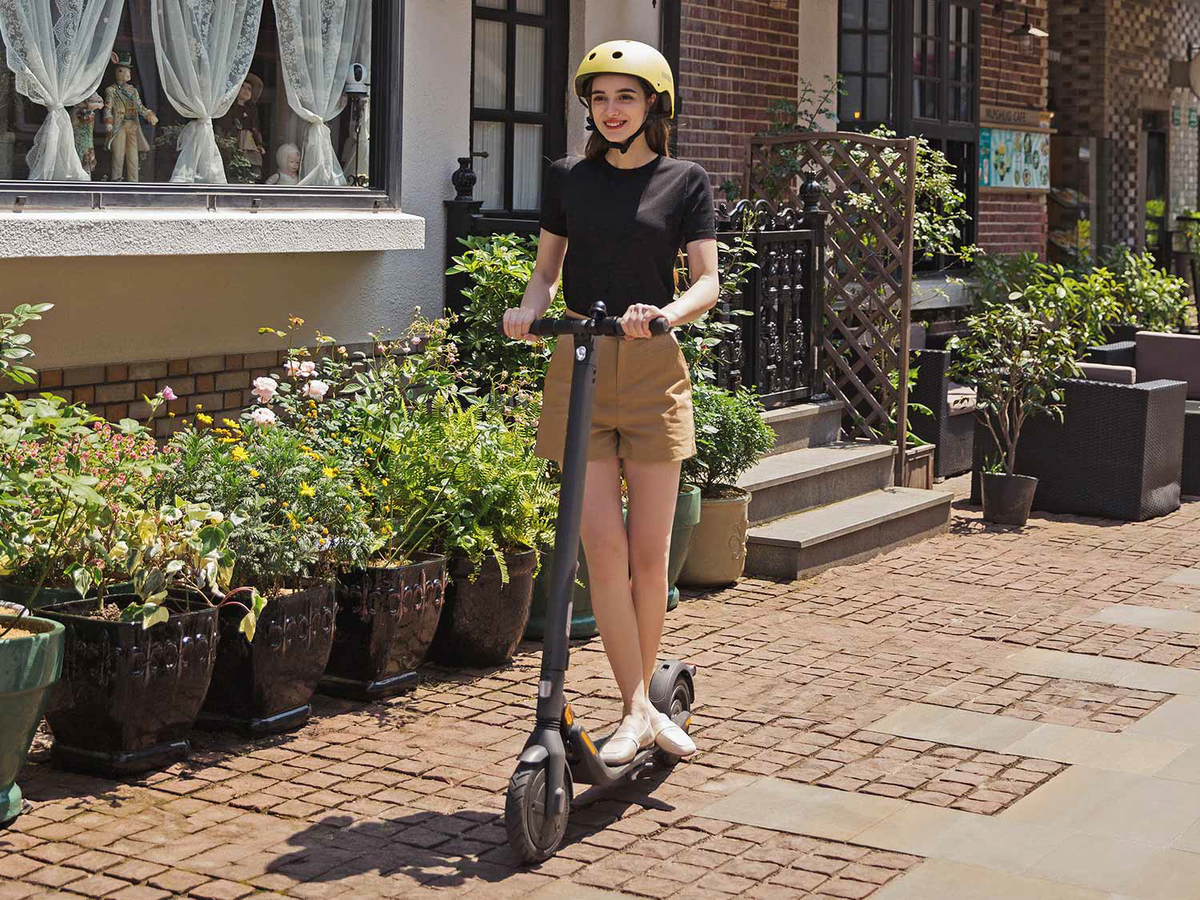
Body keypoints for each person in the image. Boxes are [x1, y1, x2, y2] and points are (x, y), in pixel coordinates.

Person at [502, 40, 719, 765]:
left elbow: (706, 283)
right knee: (603, 551)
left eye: (626, 96)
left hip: (654, 369)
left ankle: (640, 710)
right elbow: (545, 274)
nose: (612, 110)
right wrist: (526, 311)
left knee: (649, 556)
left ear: (654, 103)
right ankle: (636, 711)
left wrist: (664, 313)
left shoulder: (684, 180)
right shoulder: (568, 179)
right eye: (600, 98)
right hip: (580, 366)